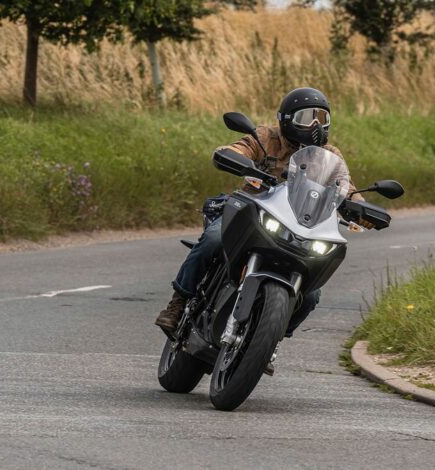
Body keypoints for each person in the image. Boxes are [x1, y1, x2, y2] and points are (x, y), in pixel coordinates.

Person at [155, 88, 367, 373]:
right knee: (214, 239)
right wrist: (235, 159)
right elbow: (234, 150)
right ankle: (178, 303)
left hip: (299, 226)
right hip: (251, 212)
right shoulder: (265, 137)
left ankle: (269, 339)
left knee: (312, 294)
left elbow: (345, 186)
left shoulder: (329, 155)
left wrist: (361, 208)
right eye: (307, 118)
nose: (315, 126)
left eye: (321, 118)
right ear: (287, 118)